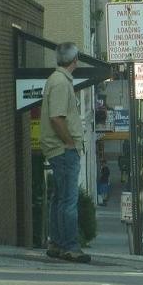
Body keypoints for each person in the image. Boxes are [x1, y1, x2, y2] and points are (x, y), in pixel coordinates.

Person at [40, 42, 91, 263]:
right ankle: (70, 246)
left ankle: (57, 243)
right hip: (63, 150)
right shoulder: (61, 82)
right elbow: (56, 117)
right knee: (68, 200)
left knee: (59, 199)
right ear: (75, 60)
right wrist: (70, 143)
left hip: (56, 149)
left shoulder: (55, 79)